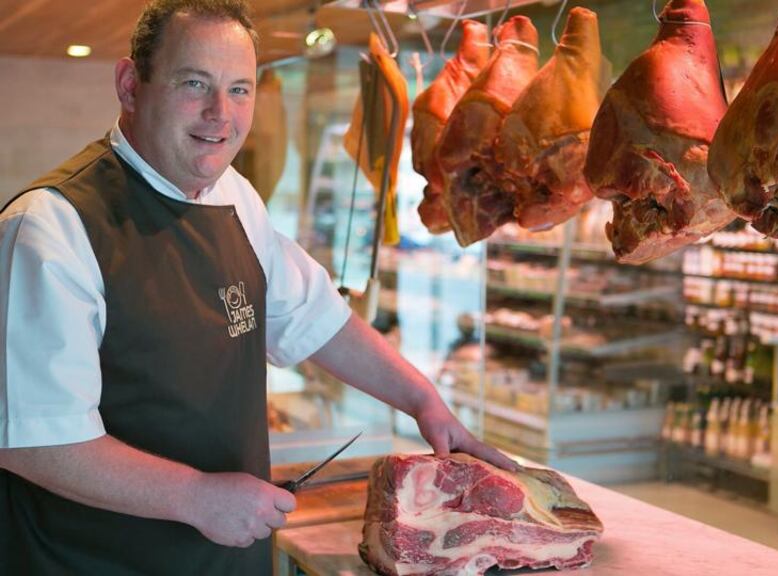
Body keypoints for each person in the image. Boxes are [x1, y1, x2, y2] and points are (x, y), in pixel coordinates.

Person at [0, 1, 517, 574]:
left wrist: (424, 401)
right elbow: (33, 441)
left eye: (239, 89)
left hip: (226, 558)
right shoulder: (51, 226)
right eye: (194, 83)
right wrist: (195, 496)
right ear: (130, 86)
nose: (220, 113)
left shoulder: (234, 197)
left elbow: (317, 320)